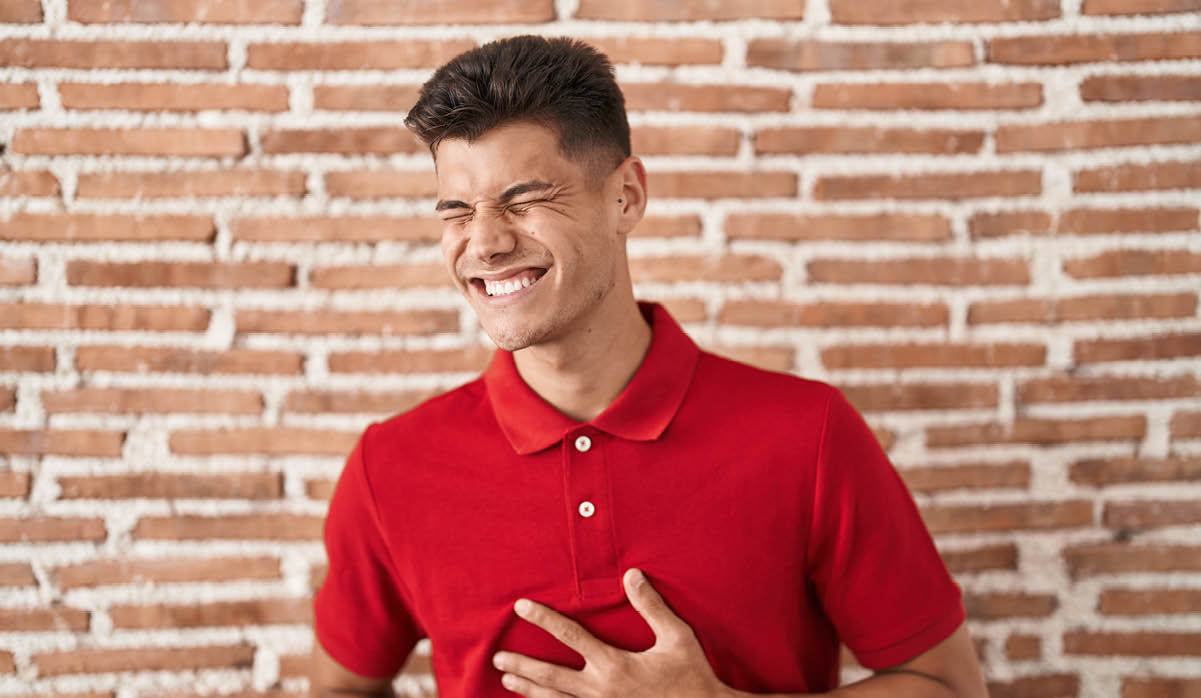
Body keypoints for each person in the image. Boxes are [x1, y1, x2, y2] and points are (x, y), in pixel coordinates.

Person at [309, 35, 989, 698]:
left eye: (524, 200)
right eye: (456, 210)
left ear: (625, 197)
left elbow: (948, 686)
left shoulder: (806, 435)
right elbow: (339, 687)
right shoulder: (390, 466)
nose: (484, 242)